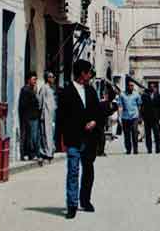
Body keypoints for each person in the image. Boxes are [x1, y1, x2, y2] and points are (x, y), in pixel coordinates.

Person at [58, 59, 103, 219]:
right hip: (73, 138)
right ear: (82, 73)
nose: (90, 75)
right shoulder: (66, 92)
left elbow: (98, 111)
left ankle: (85, 200)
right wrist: (60, 140)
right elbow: (61, 117)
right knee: (73, 171)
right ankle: (72, 204)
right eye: (89, 72)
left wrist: (94, 122)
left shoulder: (91, 91)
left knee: (88, 171)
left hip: (89, 139)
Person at [18, 72, 41, 161]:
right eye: (33, 79)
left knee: (33, 136)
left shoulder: (32, 90)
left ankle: (33, 153)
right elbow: (23, 105)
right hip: (29, 117)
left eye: (36, 79)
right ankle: (29, 153)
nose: (35, 81)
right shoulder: (25, 90)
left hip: (34, 116)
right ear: (29, 80)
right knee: (30, 137)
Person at [37, 71, 57, 164]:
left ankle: (50, 151)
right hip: (45, 114)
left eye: (53, 77)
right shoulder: (44, 88)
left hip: (51, 115)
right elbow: (40, 101)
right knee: (45, 133)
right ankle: (46, 152)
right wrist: (41, 112)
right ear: (47, 78)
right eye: (51, 77)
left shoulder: (51, 88)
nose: (53, 78)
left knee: (50, 133)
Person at [117, 79, 142, 155]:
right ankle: (128, 149)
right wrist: (119, 117)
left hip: (134, 116)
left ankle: (135, 149)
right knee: (126, 134)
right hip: (125, 117)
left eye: (132, 86)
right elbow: (120, 106)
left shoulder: (136, 95)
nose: (131, 87)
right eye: (130, 86)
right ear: (127, 86)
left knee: (134, 133)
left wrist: (140, 116)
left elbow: (139, 105)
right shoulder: (122, 95)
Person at [141, 82, 160, 154]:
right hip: (147, 118)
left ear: (155, 88)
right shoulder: (144, 95)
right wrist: (142, 117)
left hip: (155, 118)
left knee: (157, 134)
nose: (152, 88)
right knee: (148, 135)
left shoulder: (157, 96)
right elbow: (142, 106)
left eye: (153, 87)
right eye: (151, 87)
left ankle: (157, 148)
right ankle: (149, 149)